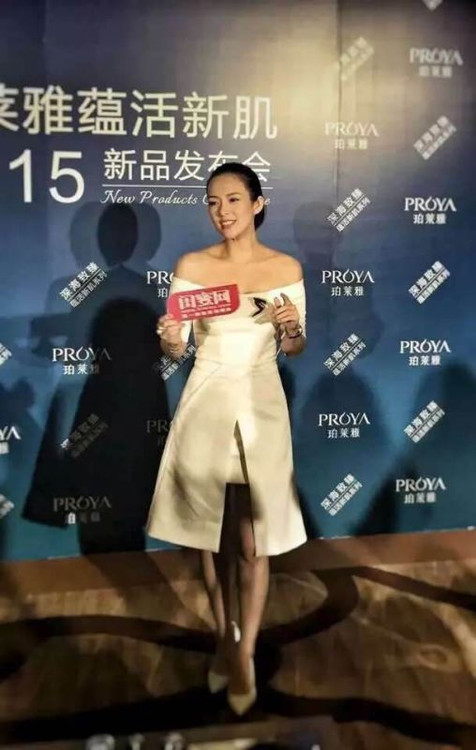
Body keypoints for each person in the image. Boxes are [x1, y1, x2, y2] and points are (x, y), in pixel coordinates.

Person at [147, 162, 307, 714]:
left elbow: (295, 346)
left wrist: (290, 326)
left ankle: (246, 654)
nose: (223, 212)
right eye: (213, 202)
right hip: (206, 403)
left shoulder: (285, 267)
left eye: (234, 199)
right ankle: (223, 638)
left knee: (252, 540)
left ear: (257, 204)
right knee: (209, 537)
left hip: (262, 406)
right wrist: (170, 337)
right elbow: (177, 347)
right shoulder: (193, 266)